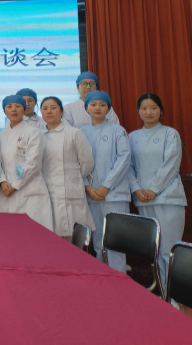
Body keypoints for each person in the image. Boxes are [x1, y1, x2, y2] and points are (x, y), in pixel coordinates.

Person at [129, 93, 187, 293]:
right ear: (138, 112)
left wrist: (154, 189)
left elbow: (171, 162)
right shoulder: (132, 137)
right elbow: (128, 167)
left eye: (153, 108)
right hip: (144, 200)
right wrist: (136, 189)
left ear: (161, 111)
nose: (149, 112)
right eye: (144, 108)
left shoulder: (170, 134)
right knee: (155, 250)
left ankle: (176, 296)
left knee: (169, 250)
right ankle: (163, 294)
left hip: (168, 198)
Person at [79, 90, 131, 273]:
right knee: (98, 240)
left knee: (116, 241)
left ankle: (119, 280)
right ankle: (103, 280)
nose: (98, 108)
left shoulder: (118, 131)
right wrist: (87, 186)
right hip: (91, 195)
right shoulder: (80, 133)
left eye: (102, 105)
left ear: (108, 109)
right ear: (86, 108)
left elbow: (124, 159)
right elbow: (77, 162)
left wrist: (106, 186)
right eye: (93, 104)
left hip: (114, 195)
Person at [40, 96, 95, 240]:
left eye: (53, 108)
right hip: (47, 189)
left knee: (74, 236)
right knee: (50, 235)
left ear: (62, 112)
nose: (49, 111)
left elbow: (87, 161)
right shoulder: (38, 135)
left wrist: (73, 177)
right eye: (45, 109)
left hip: (71, 189)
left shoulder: (73, 133)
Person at [0, 95, 53, 230]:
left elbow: (33, 163)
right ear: (4, 111)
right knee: (9, 234)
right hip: (6, 193)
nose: (14, 110)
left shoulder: (33, 132)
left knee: (33, 234)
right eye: (9, 107)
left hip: (29, 191)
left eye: (18, 106)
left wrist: (15, 185)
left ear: (24, 109)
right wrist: (2, 181)